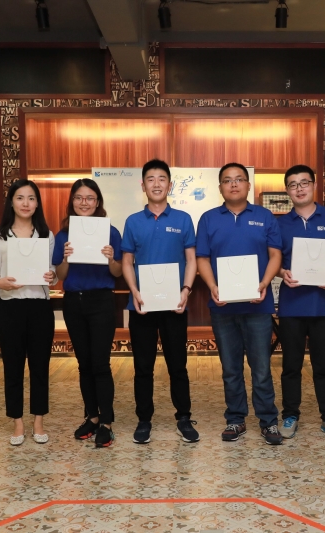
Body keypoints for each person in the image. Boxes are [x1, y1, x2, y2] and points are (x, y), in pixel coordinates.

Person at [196, 162, 284, 445]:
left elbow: (275, 255)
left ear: (248, 185)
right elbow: (202, 258)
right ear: (220, 187)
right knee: (230, 368)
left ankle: (268, 421)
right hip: (223, 307)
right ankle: (235, 419)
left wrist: (264, 283)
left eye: (239, 179)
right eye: (227, 180)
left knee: (261, 368)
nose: (233, 184)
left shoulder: (264, 216)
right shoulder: (208, 219)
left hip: (258, 305)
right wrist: (212, 286)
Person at [121, 159, 199, 444]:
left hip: (174, 304)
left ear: (170, 185)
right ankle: (144, 420)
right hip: (142, 305)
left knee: (178, 364)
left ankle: (184, 418)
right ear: (143, 185)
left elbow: (191, 259)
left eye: (162, 179)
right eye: (150, 179)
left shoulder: (183, 219)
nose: (156, 184)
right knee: (143, 367)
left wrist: (186, 290)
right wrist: (134, 290)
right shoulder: (133, 221)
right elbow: (127, 262)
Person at [276, 164, 325, 440]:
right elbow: (272, 259)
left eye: (304, 183)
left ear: (314, 185)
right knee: (291, 365)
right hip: (292, 305)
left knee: (323, 365)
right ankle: (290, 415)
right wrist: (281, 272)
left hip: (324, 304)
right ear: (287, 191)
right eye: (293, 184)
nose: (299, 189)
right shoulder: (280, 223)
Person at [0, 179, 57, 446]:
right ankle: (17, 423)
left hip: (39, 307)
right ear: (11, 202)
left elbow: (52, 273)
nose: (26, 203)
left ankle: (39, 421)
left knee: (40, 367)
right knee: (12, 367)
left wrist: (52, 276)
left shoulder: (46, 235)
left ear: (37, 204)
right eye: (20, 198)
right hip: (10, 307)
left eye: (31, 198)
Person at [53, 179, 121, 448]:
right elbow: (60, 275)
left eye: (90, 198)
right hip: (74, 302)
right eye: (79, 198)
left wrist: (111, 258)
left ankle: (107, 423)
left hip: (102, 301)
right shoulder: (63, 234)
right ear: (72, 201)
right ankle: (92, 417)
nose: (84, 203)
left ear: (98, 202)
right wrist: (65, 258)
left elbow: (117, 272)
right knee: (84, 364)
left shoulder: (110, 232)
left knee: (100, 364)